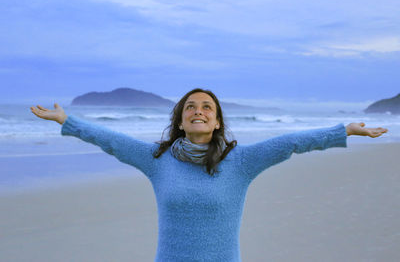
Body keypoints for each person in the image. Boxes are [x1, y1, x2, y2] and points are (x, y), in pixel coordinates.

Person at [30, 88, 388, 262]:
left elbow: (291, 142)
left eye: (206, 107)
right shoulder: (158, 158)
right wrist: (68, 121)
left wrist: (344, 130)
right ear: (181, 121)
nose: (197, 111)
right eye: (189, 107)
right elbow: (111, 140)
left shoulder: (242, 161)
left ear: (216, 121)